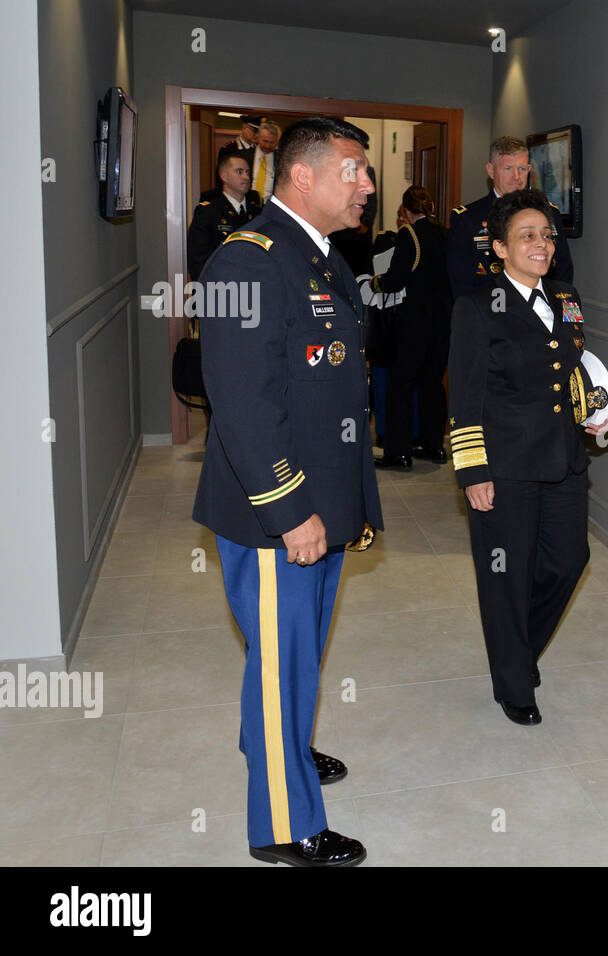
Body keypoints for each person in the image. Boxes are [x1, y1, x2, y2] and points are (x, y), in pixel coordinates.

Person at [192, 117, 382, 866]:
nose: (367, 185)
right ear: (303, 176)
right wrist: (290, 509)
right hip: (280, 509)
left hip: (323, 500)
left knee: (293, 655)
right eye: (354, 170)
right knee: (284, 659)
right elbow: (243, 404)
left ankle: (278, 747)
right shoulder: (248, 262)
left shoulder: (318, 254)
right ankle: (283, 823)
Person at [447, 189, 608, 726]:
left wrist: (591, 409)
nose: (541, 244)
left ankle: (519, 651)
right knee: (506, 575)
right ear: (499, 247)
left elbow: (569, 368)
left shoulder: (566, 296)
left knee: (570, 561)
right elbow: (465, 394)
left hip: (564, 458)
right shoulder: (476, 307)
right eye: (526, 236)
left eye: (546, 234)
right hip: (505, 464)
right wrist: (473, 470)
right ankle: (513, 682)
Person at [371, 186, 454, 468]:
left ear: (406, 211)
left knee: (401, 385)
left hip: (414, 323)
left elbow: (396, 278)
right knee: (432, 384)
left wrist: (374, 283)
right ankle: (434, 446)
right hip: (443, 322)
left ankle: (399, 451)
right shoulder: (445, 234)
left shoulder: (410, 234)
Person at [447, 136, 574, 300]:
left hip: (542, 312)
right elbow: (461, 285)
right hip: (491, 315)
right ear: (491, 170)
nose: (516, 176)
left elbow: (563, 271)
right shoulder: (467, 219)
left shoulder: (550, 213)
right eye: (508, 168)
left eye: (522, 169)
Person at [187, 152, 260, 280]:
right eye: (239, 172)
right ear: (224, 176)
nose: (246, 177)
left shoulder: (257, 212)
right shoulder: (208, 212)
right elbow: (197, 261)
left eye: (248, 172)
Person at [250, 121, 279, 198]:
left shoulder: (280, 159)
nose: (268, 146)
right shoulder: (246, 156)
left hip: (270, 205)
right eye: (265, 141)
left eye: (272, 142)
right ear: (258, 138)